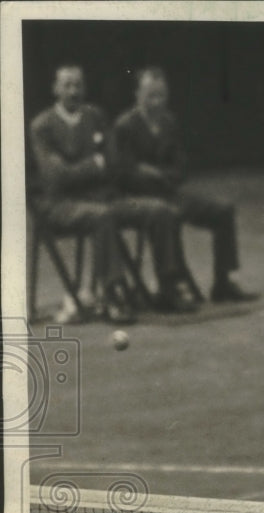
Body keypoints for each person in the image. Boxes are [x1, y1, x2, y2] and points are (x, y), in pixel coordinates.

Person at [29, 65, 193, 322]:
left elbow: (113, 162)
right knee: (102, 217)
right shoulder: (42, 126)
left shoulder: (96, 116)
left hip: (104, 197)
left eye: (78, 85)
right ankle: (113, 293)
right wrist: (94, 164)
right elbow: (57, 176)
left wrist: (86, 168)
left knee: (160, 211)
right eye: (67, 85)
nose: (74, 91)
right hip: (62, 205)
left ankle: (168, 286)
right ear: (55, 89)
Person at [111, 67, 258, 303]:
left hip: (169, 191)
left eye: (161, 95)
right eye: (151, 96)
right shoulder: (125, 127)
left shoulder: (169, 122)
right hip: (138, 197)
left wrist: (155, 173)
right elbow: (124, 173)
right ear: (137, 95)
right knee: (164, 213)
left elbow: (180, 167)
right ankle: (169, 286)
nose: (157, 102)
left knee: (223, 210)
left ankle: (224, 281)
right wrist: (155, 176)